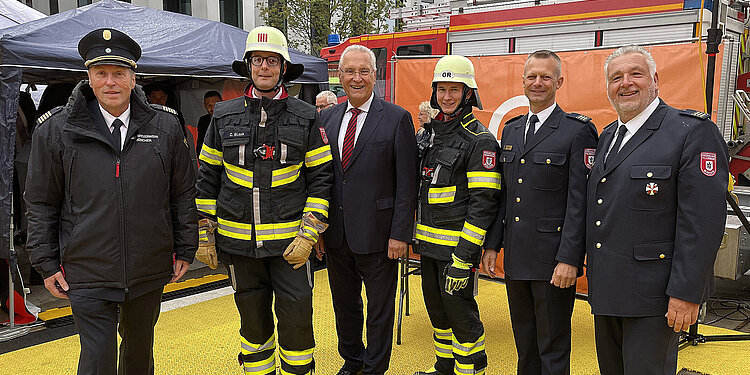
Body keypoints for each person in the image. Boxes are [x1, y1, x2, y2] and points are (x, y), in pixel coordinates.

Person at [24, 28, 197, 374]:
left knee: (138, 354)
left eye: (119, 73)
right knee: (98, 358)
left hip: (148, 267)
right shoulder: (57, 131)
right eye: (101, 73)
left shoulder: (165, 128)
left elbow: (182, 194)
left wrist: (186, 247)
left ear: (134, 78)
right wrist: (46, 262)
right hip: (86, 269)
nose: (110, 82)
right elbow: (41, 202)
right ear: (88, 77)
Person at [195, 26, 332, 375]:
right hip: (239, 247)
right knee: (253, 329)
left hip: (291, 247)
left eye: (272, 60)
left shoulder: (306, 116)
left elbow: (321, 179)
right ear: (248, 66)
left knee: (297, 324)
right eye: (258, 60)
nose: (264, 67)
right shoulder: (223, 116)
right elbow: (207, 178)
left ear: (283, 67)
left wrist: (309, 233)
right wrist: (203, 232)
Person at [586, 45, 728, 375]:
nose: (625, 83)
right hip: (609, 291)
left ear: (655, 80)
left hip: (656, 298)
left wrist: (686, 293)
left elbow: (702, 223)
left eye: (635, 74)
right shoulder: (608, 136)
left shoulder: (691, 132)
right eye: (616, 77)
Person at [482, 50, 598, 375]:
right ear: (522, 81)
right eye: (531, 76)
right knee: (525, 344)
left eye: (545, 77)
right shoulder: (512, 129)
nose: (537, 82)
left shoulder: (577, 131)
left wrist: (570, 258)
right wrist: (492, 245)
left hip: (553, 261)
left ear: (559, 82)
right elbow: (504, 195)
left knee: (553, 347)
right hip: (518, 257)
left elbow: (581, 202)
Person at [317, 44, 417, 375]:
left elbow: (407, 183)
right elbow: (319, 179)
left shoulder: (397, 118)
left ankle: (375, 367)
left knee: (379, 309)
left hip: (380, 236)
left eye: (364, 71)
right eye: (349, 71)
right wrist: (314, 228)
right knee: (345, 305)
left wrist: (401, 233)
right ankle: (353, 360)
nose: (356, 78)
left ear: (375, 75)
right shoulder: (327, 119)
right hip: (335, 235)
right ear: (339, 76)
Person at [412, 55, 501, 375]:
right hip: (428, 249)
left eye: (455, 90)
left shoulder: (480, 140)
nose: (447, 96)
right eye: (441, 89)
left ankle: (470, 370)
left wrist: (464, 259)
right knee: (438, 315)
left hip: (456, 255)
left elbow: (483, 206)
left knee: (462, 318)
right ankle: (444, 368)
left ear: (468, 94)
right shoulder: (428, 135)